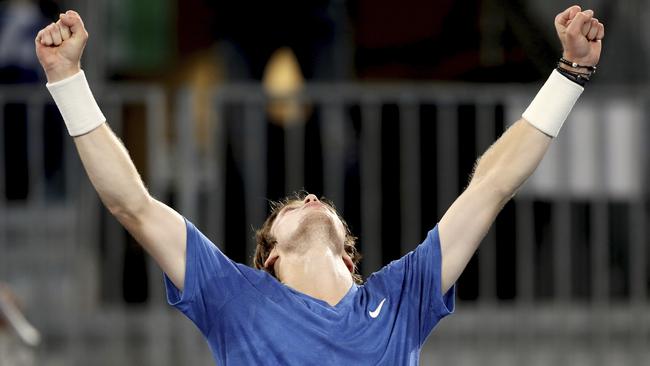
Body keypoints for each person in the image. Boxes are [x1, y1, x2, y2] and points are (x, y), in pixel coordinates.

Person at [35, 6, 604, 365]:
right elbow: (130, 204)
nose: (309, 199)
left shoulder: (399, 299)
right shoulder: (235, 298)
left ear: (352, 257)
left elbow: (491, 186)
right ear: (269, 257)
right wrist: (66, 80)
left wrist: (570, 76)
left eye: (318, 203)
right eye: (286, 209)